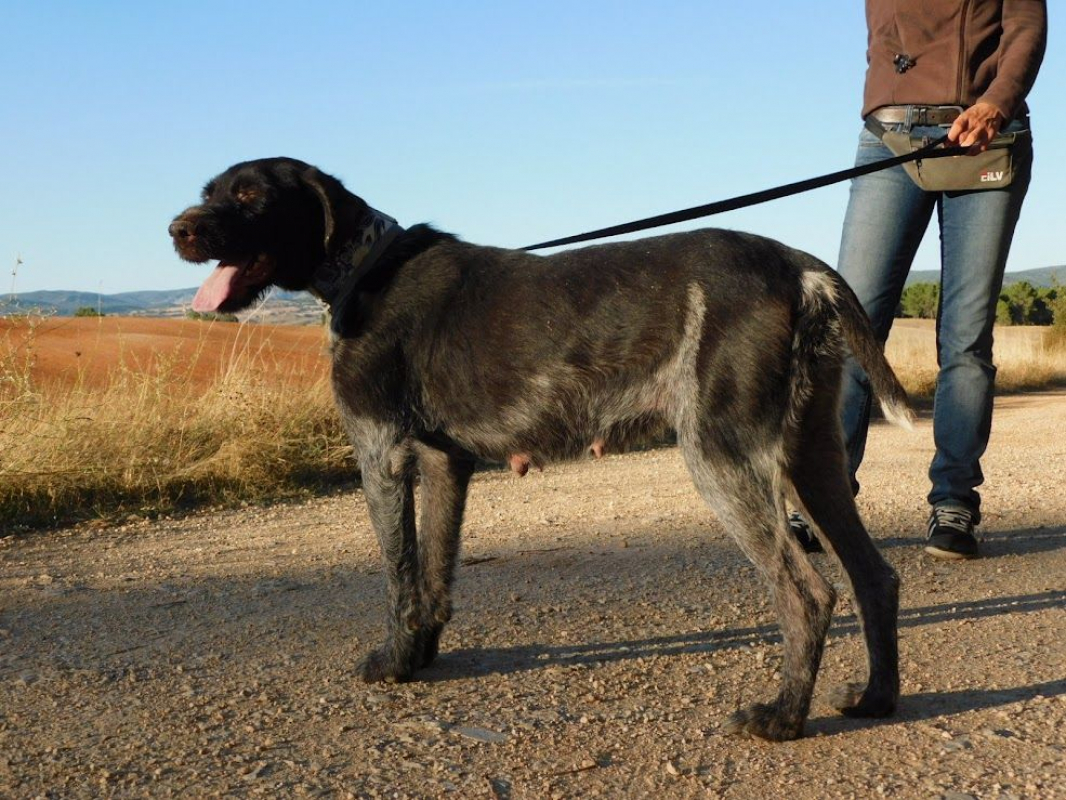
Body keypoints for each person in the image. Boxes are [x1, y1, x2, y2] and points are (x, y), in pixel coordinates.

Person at [790, 0, 1047, 559]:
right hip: (890, 135)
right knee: (849, 330)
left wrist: (996, 104)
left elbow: (1027, 29)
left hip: (985, 137)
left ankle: (954, 502)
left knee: (966, 339)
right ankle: (825, 499)